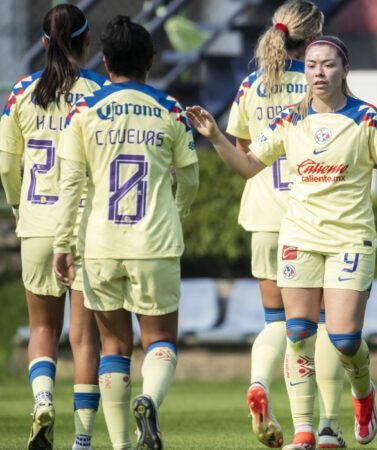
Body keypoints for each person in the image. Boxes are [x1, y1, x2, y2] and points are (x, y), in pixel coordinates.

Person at [226, 2, 377, 448]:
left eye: (328, 65)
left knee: (321, 333)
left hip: (298, 223)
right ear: (307, 52)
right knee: (303, 331)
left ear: (343, 67)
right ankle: (316, 426)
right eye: (313, 64)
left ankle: (298, 389)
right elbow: (251, 159)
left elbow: (375, 156)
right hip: (295, 225)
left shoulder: (257, 85)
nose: (319, 72)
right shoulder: (295, 110)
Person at [52, 15, 199, 450]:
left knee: (113, 345)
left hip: (100, 245)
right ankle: (149, 400)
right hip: (154, 242)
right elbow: (189, 179)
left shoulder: (83, 110)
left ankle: (118, 446)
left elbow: (71, 185)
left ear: (105, 59)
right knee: (159, 340)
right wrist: (177, 211)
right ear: (152, 60)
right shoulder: (170, 109)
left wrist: (63, 245)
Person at [0, 4, 106, 449]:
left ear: (43, 44)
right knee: (84, 341)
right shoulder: (100, 91)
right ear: (87, 41)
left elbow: (7, 166)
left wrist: (18, 207)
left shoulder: (20, 92)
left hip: (38, 225)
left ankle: (43, 399)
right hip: (86, 228)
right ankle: (83, 439)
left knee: (42, 329)